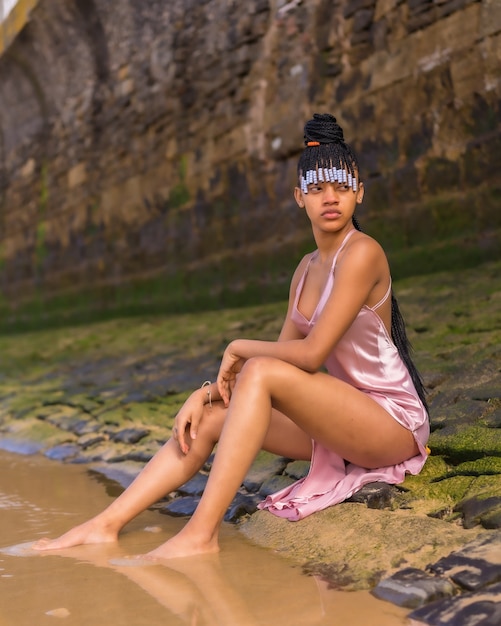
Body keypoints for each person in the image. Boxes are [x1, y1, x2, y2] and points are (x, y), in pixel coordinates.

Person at [34, 112, 430, 560]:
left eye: (341, 186)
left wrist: (237, 348)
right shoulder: (304, 270)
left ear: (359, 191)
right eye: (317, 188)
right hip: (340, 420)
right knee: (209, 419)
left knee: (258, 370)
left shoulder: (363, 253)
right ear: (299, 198)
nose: (330, 199)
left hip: (389, 424)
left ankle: (200, 535)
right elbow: (282, 367)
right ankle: (105, 525)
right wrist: (206, 396)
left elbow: (309, 353)